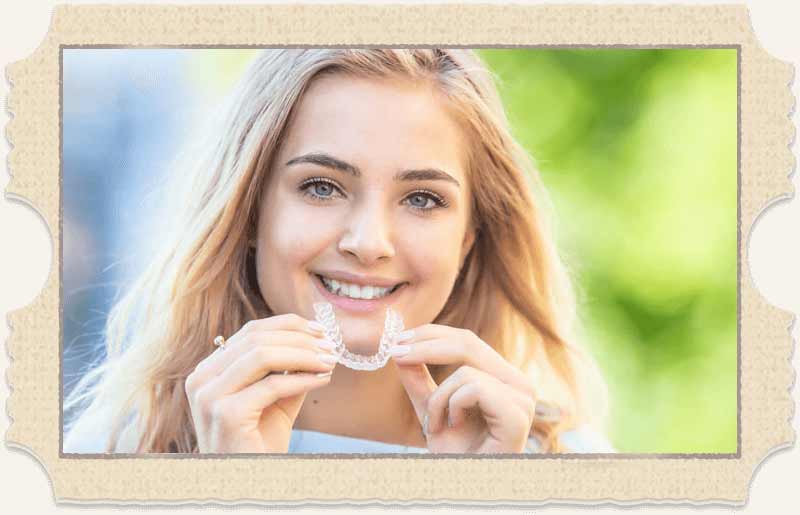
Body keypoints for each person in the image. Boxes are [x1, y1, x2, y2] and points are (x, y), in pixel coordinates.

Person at [63, 48, 615, 454]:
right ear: (250, 210)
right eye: (321, 187)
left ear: (471, 236)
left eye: (422, 199)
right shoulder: (111, 450)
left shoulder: (570, 464)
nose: (369, 243)